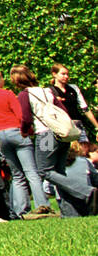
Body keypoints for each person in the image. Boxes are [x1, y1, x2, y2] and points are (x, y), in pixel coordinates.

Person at [13, 65, 93, 215]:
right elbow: (63, 110)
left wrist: (24, 131)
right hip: (62, 134)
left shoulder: (24, 94)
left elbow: (26, 118)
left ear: (17, 80)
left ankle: (88, 192)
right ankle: (71, 213)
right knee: (59, 173)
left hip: (46, 135)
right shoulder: (47, 91)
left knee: (45, 171)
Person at [0, 67, 51, 219]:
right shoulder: (8, 93)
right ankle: (42, 205)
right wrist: (29, 132)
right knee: (31, 172)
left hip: (0, 136)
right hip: (16, 132)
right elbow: (21, 115)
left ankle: (20, 211)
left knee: (17, 175)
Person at [50, 64, 97, 142]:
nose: (66, 76)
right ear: (54, 74)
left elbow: (85, 108)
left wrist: (96, 126)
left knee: (83, 151)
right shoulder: (49, 91)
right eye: (63, 74)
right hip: (61, 127)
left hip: (77, 125)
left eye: (67, 74)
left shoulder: (73, 88)